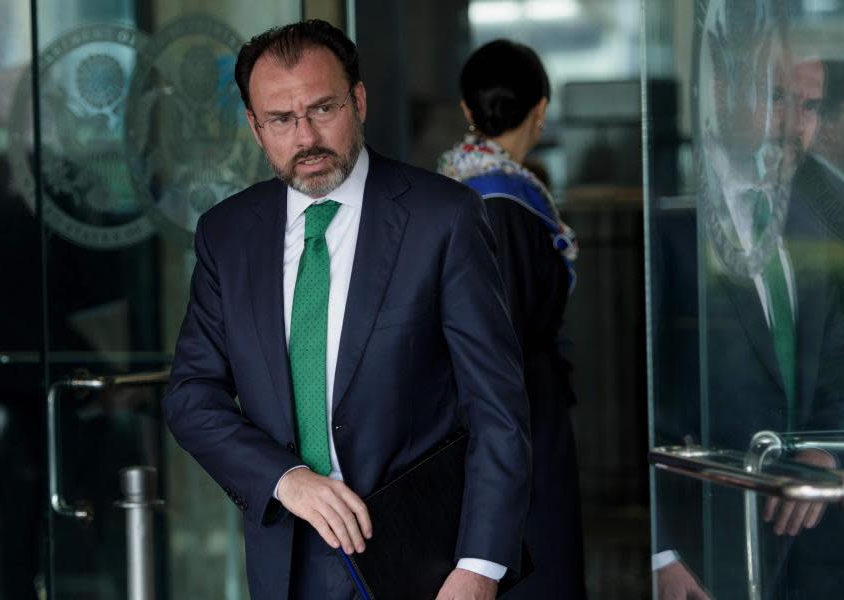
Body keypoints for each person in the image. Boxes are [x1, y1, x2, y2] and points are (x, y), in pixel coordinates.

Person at [163, 20, 531, 600]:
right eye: (281, 120)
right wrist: (285, 479)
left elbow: (498, 407)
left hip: (422, 561)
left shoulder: (443, 217)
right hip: (284, 553)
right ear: (256, 128)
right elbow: (191, 397)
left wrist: (480, 567)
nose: (305, 136)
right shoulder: (226, 235)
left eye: (323, 109)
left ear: (357, 101)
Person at [653, 26, 844, 598]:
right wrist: (660, 551)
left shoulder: (806, 220)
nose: (797, 125)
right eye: (776, 98)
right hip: (699, 549)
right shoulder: (670, 222)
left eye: (811, 106)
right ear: (724, 92)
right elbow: (627, 400)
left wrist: (825, 451)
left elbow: (843, 369)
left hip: (807, 541)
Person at [437, 39, 585, 599]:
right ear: (541, 110)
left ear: (468, 111)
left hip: (478, 422)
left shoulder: (454, 187)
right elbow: (506, 344)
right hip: (519, 426)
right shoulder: (505, 205)